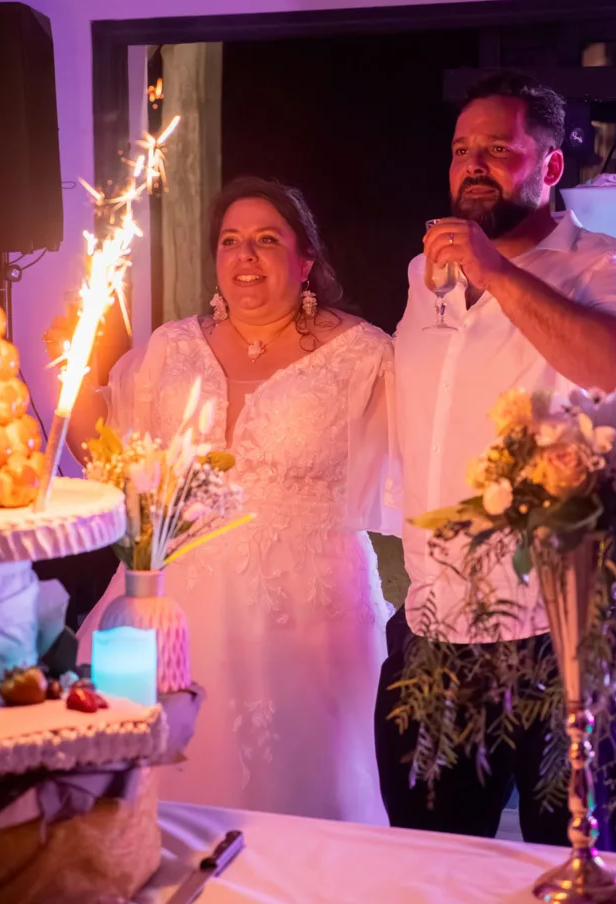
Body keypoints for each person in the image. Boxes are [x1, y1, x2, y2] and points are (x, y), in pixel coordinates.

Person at [375, 71, 616, 852]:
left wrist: (496, 273)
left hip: (571, 625)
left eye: (497, 150)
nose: (472, 164)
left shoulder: (610, 266)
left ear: (548, 169)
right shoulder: (421, 275)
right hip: (441, 624)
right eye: (461, 149)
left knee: (576, 866)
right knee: (430, 866)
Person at [65, 177, 399, 823]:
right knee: (159, 786)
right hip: (175, 600)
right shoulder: (172, 347)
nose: (245, 256)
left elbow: (421, 459)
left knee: (306, 790)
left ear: (306, 260)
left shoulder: (364, 356)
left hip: (308, 608)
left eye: (266, 240)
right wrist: (70, 370)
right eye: (230, 241)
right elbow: (108, 454)